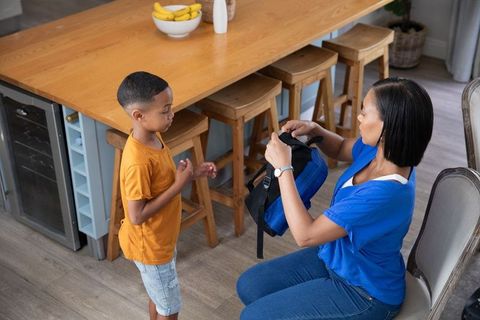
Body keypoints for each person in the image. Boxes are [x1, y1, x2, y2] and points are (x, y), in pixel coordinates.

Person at [236, 77, 434, 320]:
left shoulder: (384, 194)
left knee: (253, 317)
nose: (358, 117)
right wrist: (316, 130)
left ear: (388, 128)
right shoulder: (380, 151)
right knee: (249, 286)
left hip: (364, 292)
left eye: (364, 113)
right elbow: (340, 148)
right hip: (336, 257)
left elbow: (306, 235)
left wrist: (283, 168)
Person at [116, 71, 217, 320]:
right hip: (151, 247)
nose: (172, 115)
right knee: (170, 310)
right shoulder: (137, 162)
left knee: (158, 298)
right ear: (138, 116)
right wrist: (178, 187)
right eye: (165, 111)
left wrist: (191, 174)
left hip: (161, 239)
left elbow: (161, 184)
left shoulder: (152, 136)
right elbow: (136, 216)